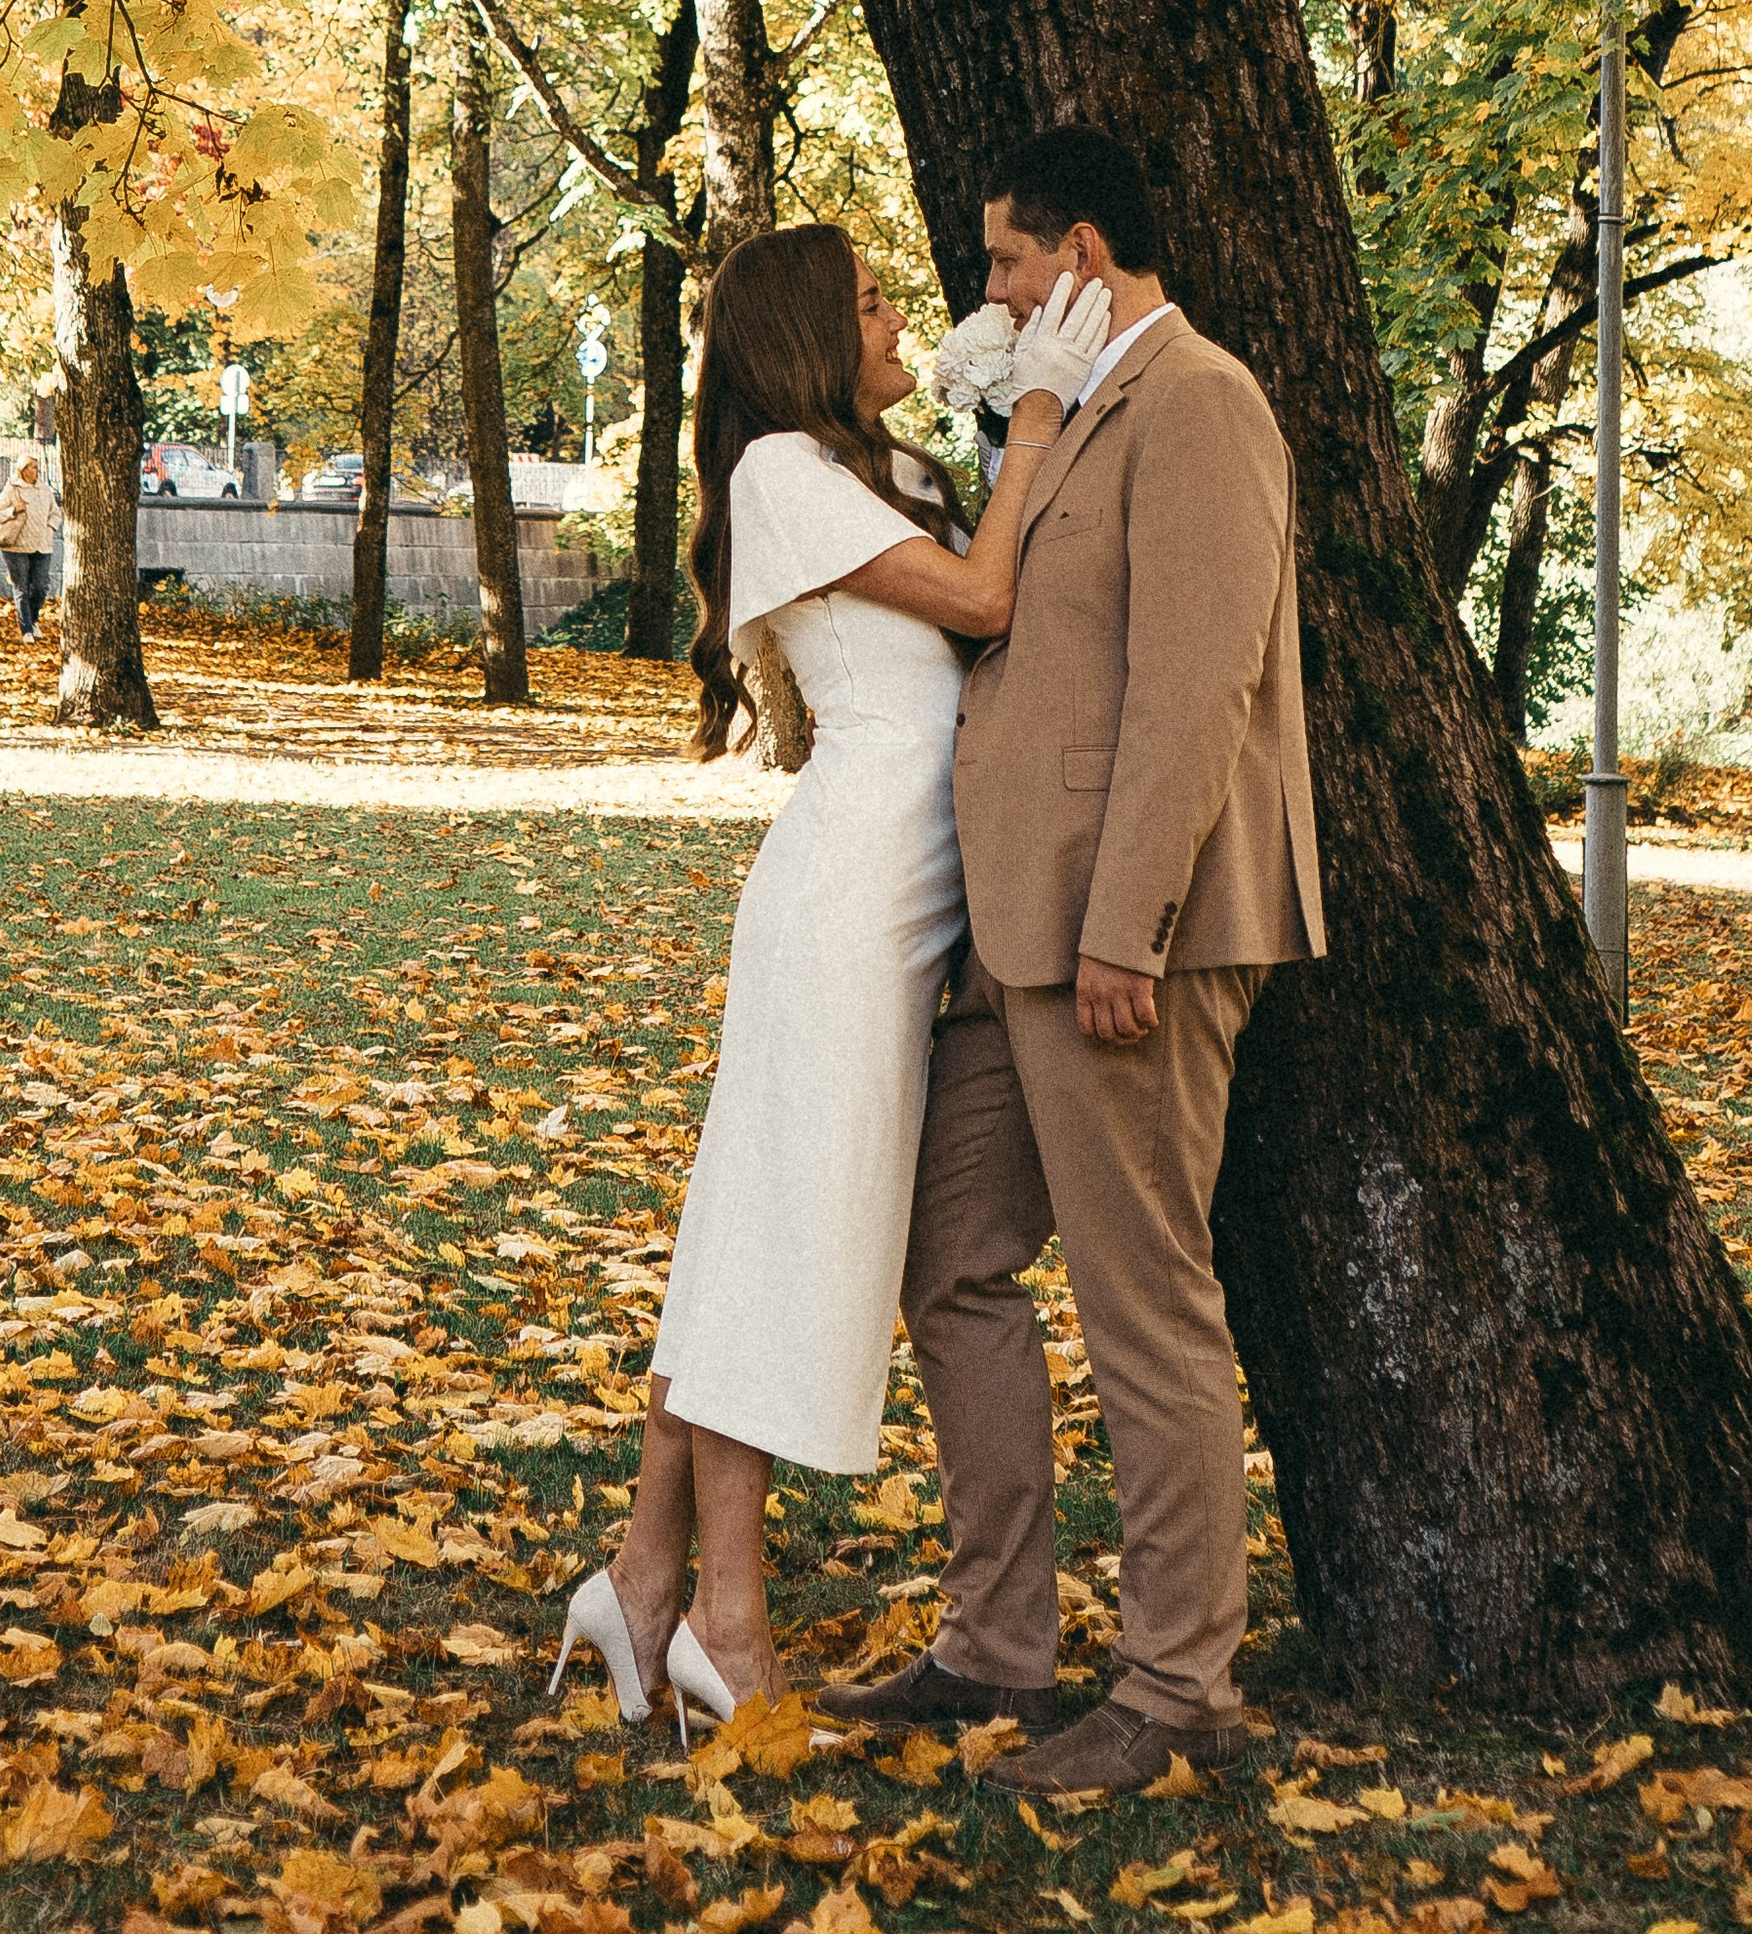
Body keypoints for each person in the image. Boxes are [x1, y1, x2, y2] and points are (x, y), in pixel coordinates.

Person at [547, 220, 1115, 1741]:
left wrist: (1002, 415)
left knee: (757, 1230)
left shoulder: (868, 469)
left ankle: (643, 1583)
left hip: (914, 900)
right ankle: (721, 1624)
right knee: (784, 1245)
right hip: (846, 903)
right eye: (866, 301)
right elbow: (986, 604)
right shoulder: (776, 476)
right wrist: (1043, 405)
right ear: (805, 330)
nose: (894, 319)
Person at [821, 124, 1325, 1795]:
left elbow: (1201, 688)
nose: (990, 292)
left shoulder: (1203, 403)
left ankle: (1180, 1690)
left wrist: (1130, 926)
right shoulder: (1073, 415)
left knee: (1144, 1304)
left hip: (1132, 942)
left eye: (1007, 264)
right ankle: (994, 1654)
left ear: (1083, 257)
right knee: (952, 1257)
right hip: (1017, 937)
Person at [0, 448, 61, 641]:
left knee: (40, 586)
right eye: (34, 468)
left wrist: (50, 528)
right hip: (17, 546)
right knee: (21, 587)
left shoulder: (45, 490)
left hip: (42, 545)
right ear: (24, 470)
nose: (37, 471)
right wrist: (13, 510)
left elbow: (56, 513)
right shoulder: (12, 488)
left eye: (37, 468)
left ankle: (34, 619)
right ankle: (26, 629)